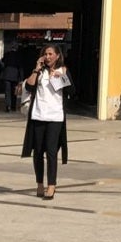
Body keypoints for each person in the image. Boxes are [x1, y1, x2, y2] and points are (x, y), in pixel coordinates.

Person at [21, 43, 73, 200]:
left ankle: (52, 185)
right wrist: (36, 69)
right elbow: (29, 87)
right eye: (45, 54)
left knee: (51, 152)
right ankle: (39, 184)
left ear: (57, 56)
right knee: (37, 152)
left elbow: (72, 91)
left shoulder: (63, 70)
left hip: (55, 117)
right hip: (38, 115)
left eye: (51, 54)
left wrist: (62, 78)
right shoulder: (40, 72)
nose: (48, 57)